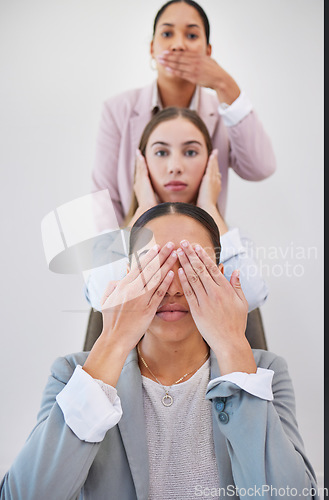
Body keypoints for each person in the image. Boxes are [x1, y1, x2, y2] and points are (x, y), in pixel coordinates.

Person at [0, 203, 318, 500]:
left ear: (219, 277)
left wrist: (233, 343)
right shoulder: (71, 374)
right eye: (154, 267)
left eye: (192, 266)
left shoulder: (266, 372)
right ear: (128, 277)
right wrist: (111, 342)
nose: (173, 287)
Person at [92, 0, 276, 230]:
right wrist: (125, 261)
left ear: (208, 51)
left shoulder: (223, 112)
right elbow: (103, 204)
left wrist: (224, 83)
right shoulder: (118, 110)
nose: (178, 45)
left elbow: (261, 167)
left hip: (204, 252)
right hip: (134, 255)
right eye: (167, 33)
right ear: (152, 48)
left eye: (191, 36)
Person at [85, 107, 268, 315]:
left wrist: (209, 208)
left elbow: (252, 296)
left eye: (190, 152)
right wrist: (144, 210)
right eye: (161, 152)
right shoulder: (108, 242)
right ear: (142, 163)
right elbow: (103, 299)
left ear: (210, 163)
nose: (175, 167)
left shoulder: (233, 240)